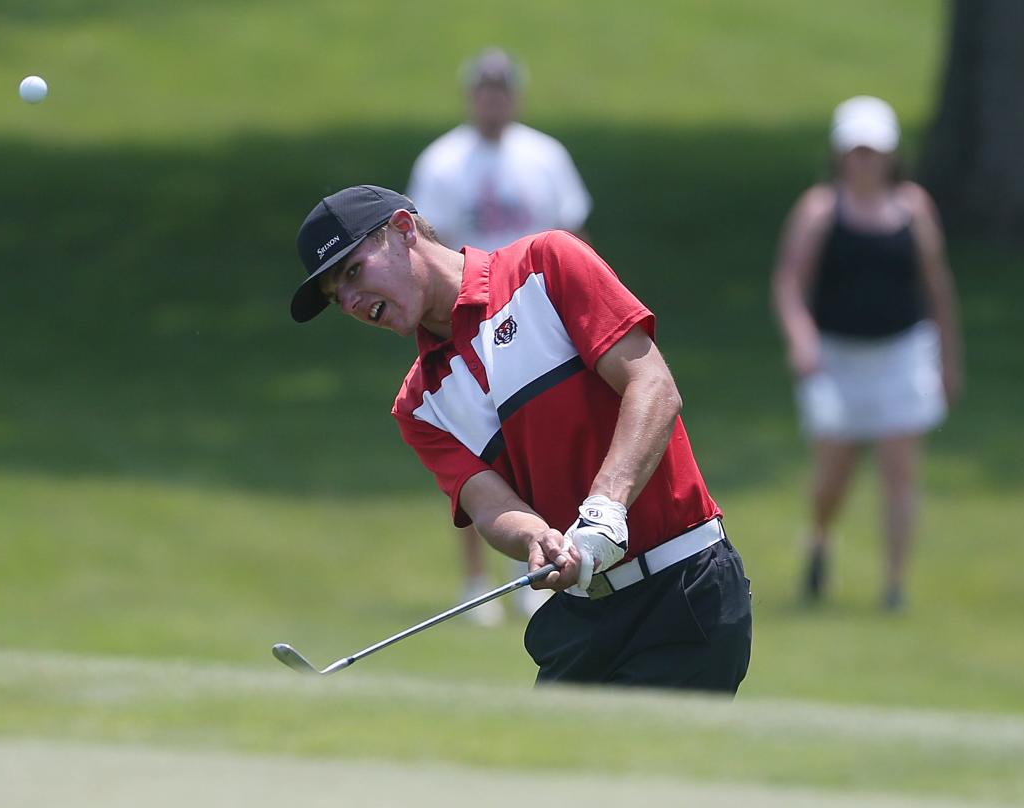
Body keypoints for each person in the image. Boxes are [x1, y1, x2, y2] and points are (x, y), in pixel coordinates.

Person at [288, 184, 751, 691]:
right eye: (338, 297)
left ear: (403, 230)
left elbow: (654, 387)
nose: (351, 301)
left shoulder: (546, 265)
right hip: (583, 616)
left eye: (353, 272)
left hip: (682, 589)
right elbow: (489, 507)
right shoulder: (419, 404)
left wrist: (606, 505)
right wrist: (538, 539)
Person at [407, 47, 594, 622]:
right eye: (484, 89)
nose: (494, 99)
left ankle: (541, 565)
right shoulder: (442, 161)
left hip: (538, 313)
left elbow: (573, 229)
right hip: (470, 314)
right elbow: (425, 245)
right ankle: (475, 582)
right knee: (478, 448)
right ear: (472, 95)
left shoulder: (545, 155)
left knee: (541, 436)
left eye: (502, 88)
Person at [771, 96, 965, 612]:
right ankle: (819, 537)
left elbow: (936, 286)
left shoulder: (914, 208)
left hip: (901, 352)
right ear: (840, 154)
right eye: (856, 151)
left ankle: (895, 583)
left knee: (900, 470)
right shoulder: (819, 209)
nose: (865, 161)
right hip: (837, 356)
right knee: (835, 473)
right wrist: (801, 337)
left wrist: (949, 356)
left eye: (873, 152)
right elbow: (791, 282)